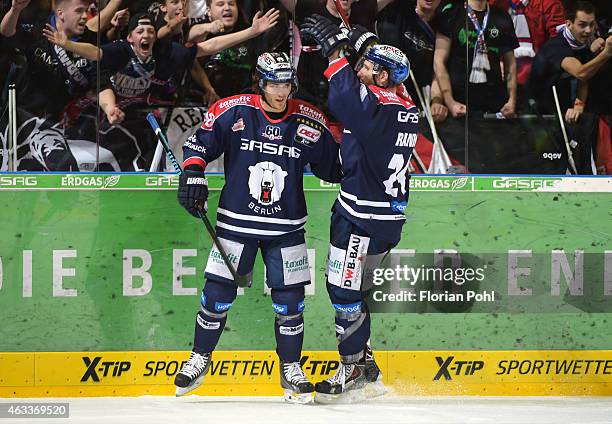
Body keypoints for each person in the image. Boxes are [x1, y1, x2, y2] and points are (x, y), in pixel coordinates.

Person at [173, 52, 342, 403]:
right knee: (217, 294)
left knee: (291, 301)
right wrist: (192, 174)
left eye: (286, 84)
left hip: (287, 226)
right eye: (274, 84)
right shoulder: (233, 110)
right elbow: (197, 145)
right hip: (236, 222)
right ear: (260, 83)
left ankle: (291, 367)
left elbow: (335, 167)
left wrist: (358, 153)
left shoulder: (308, 119)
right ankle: (200, 357)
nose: (282, 91)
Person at [300, 16, 418, 402]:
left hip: (360, 219)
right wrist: (360, 41)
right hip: (386, 219)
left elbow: (343, 96)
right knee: (357, 287)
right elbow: (360, 92)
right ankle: (365, 361)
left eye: (367, 67)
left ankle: (352, 367)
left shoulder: (378, 106)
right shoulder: (404, 103)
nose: (359, 69)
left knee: (343, 288)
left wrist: (335, 50)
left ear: (383, 78)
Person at [434, 0, 519, 119]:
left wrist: (511, 101)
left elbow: (510, 63)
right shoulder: (450, 14)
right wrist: (450, 102)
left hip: (494, 105)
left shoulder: (502, 16)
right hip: (460, 105)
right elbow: (439, 62)